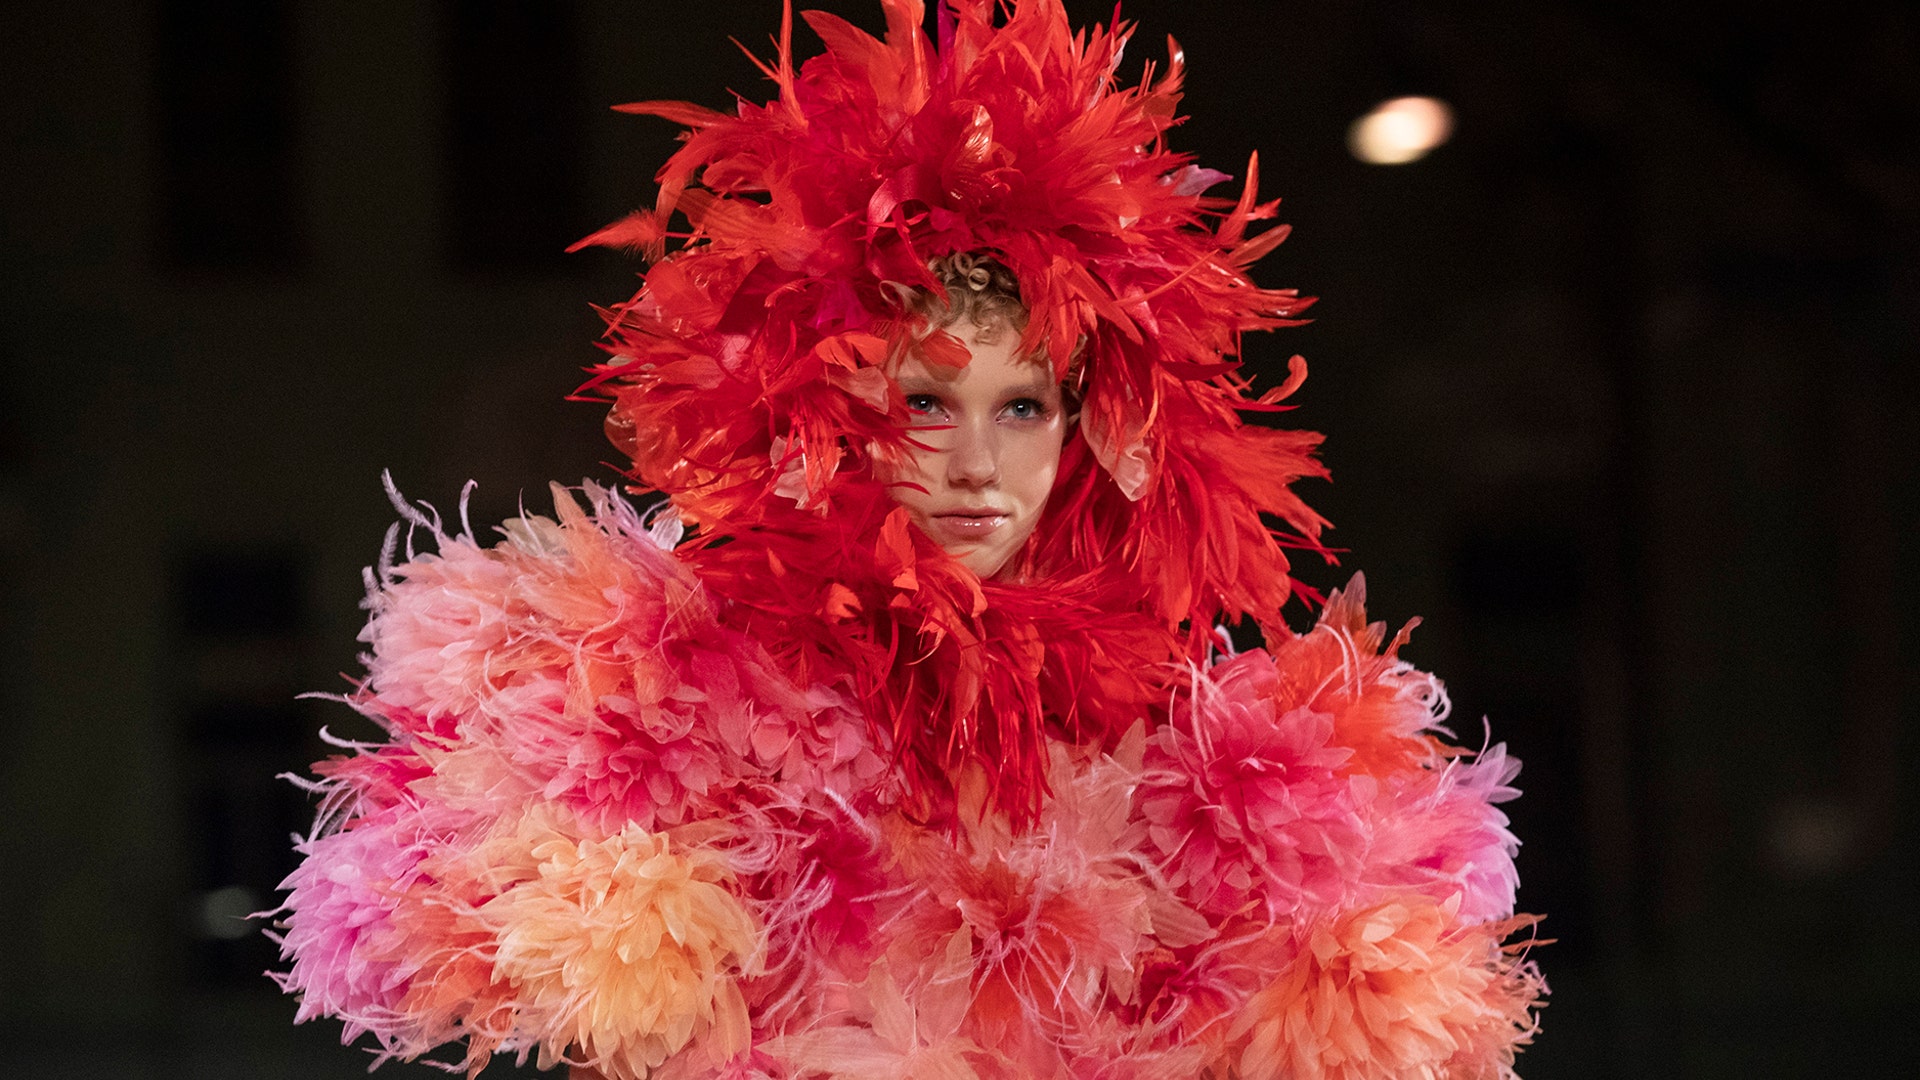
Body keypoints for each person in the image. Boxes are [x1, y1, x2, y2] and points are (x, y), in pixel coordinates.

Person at [269, 3, 1546, 1078]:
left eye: (1024, 405)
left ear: (1094, 423)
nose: (978, 464)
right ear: (837, 413)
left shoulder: (1200, 768)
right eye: (925, 402)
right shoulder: (681, 708)